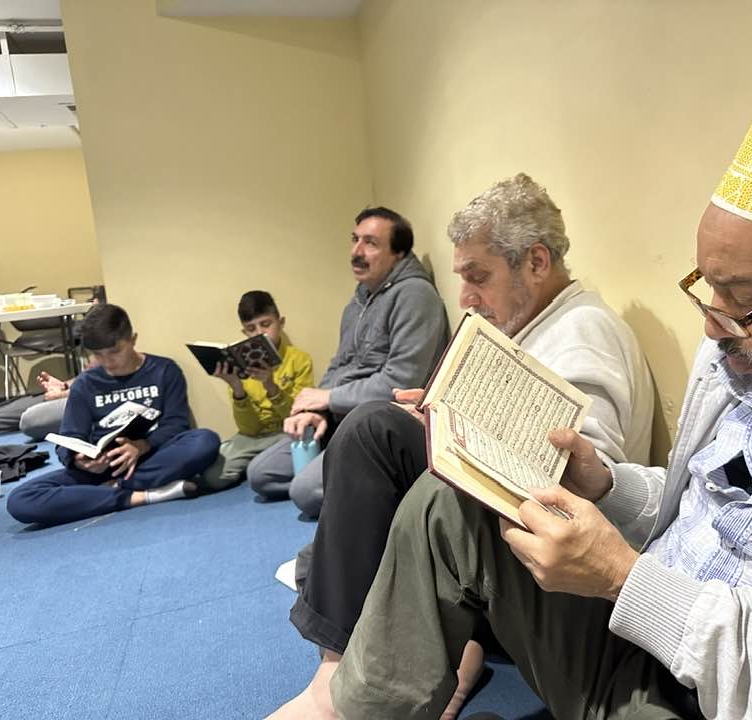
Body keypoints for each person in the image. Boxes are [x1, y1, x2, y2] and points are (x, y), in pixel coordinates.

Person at [315, 99, 752, 719]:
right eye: (704, 286)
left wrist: (625, 580)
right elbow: (708, 504)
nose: (713, 329)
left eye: (741, 298)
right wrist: (605, 485)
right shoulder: (748, 350)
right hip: (637, 629)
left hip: (719, 695)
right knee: (449, 501)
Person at [271, 173, 655, 719]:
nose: (466, 297)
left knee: (372, 433)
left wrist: (442, 427)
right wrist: (439, 412)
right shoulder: (529, 323)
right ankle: (421, 649)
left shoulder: (583, 331)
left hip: (542, 568)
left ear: (537, 263)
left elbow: (572, 485)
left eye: (479, 277)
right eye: (462, 277)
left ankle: (338, 678)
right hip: (495, 538)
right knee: (361, 477)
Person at [248, 206, 450, 516]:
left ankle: (387, 483)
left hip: (377, 424)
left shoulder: (415, 296)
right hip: (339, 416)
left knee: (305, 492)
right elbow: (339, 364)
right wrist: (315, 410)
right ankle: (342, 472)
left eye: (370, 243)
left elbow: (401, 381)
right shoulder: (357, 301)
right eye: (355, 240)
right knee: (260, 473)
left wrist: (329, 397)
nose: (356, 251)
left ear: (398, 253)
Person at [6, 304, 220, 527]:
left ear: (133, 339)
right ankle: (138, 496)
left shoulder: (164, 370)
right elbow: (69, 438)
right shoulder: (85, 384)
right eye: (98, 355)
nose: (108, 362)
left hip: (151, 458)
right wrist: (78, 460)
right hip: (100, 469)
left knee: (205, 441)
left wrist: (141, 446)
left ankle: (109, 492)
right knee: (20, 500)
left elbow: (176, 424)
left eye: (115, 351)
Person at [194, 291, 313, 494]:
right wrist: (237, 388)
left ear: (280, 322)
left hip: (286, 431)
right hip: (253, 436)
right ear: (244, 333)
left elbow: (298, 416)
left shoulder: (299, 359)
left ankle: (263, 465)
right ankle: (258, 462)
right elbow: (247, 427)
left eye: (266, 324)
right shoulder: (240, 361)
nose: (260, 334)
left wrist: (270, 385)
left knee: (302, 448)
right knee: (213, 478)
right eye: (251, 329)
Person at [0, 370, 72, 441]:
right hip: (72, 392)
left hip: (82, 400)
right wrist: (65, 385)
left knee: (30, 420)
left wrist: (65, 394)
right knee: (14, 407)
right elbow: (87, 375)